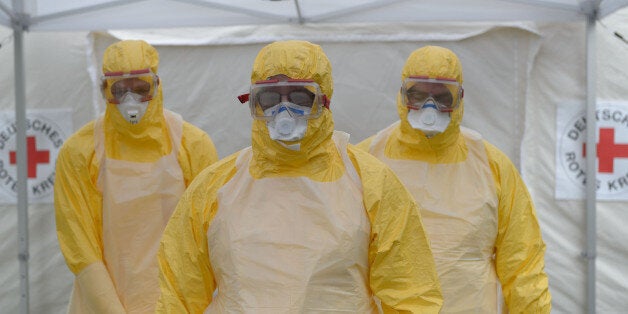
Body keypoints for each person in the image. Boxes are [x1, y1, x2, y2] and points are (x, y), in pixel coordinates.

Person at [156, 40, 443, 313]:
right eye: (270, 98)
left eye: (299, 97)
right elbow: (179, 292)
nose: (284, 110)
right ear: (254, 103)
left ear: (323, 100)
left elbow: (410, 293)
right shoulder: (215, 186)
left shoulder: (371, 182)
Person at [356, 45, 552, 313]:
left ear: (459, 98)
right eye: (418, 94)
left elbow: (522, 261)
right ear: (403, 95)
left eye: (442, 97)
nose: (429, 107)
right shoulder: (366, 160)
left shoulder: (491, 165)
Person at [54, 39, 219, 314]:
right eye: (118, 90)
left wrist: (177, 306)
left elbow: (204, 238)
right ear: (105, 90)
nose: (130, 100)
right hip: (98, 303)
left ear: (157, 85)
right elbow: (80, 245)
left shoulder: (193, 145)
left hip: (178, 300)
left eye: (142, 88)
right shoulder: (80, 152)